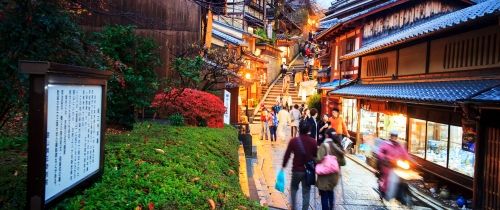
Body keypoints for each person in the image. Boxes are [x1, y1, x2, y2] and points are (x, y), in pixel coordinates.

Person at [282, 120, 318, 210]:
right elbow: (316, 156)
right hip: (308, 171)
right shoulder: (313, 142)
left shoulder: (294, 141)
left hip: (296, 170)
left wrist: (283, 166)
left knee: (294, 189)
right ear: (308, 130)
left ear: (299, 129)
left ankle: (293, 207)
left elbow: (287, 154)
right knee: (306, 191)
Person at [377, 130, 410, 200]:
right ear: (390, 136)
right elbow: (380, 152)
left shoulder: (399, 146)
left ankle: (397, 194)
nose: (394, 138)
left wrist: (412, 162)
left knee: (399, 178)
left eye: (395, 136)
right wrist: (384, 158)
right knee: (386, 178)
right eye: (393, 136)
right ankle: (383, 191)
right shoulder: (385, 144)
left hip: (396, 166)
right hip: (386, 165)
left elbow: (405, 154)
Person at [316, 128, 345, 210]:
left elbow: (319, 159)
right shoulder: (338, 146)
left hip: (324, 176)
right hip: (334, 176)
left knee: (324, 195)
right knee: (330, 192)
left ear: (326, 135)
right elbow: (343, 163)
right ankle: (331, 207)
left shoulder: (324, 145)